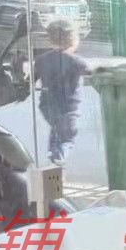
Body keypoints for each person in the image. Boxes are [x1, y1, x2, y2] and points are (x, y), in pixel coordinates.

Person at [33, 19, 89, 164]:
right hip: (68, 109)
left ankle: (53, 163)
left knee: (57, 132)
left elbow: (30, 79)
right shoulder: (77, 62)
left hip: (47, 107)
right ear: (73, 39)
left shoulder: (41, 60)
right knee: (67, 139)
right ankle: (58, 159)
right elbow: (94, 75)